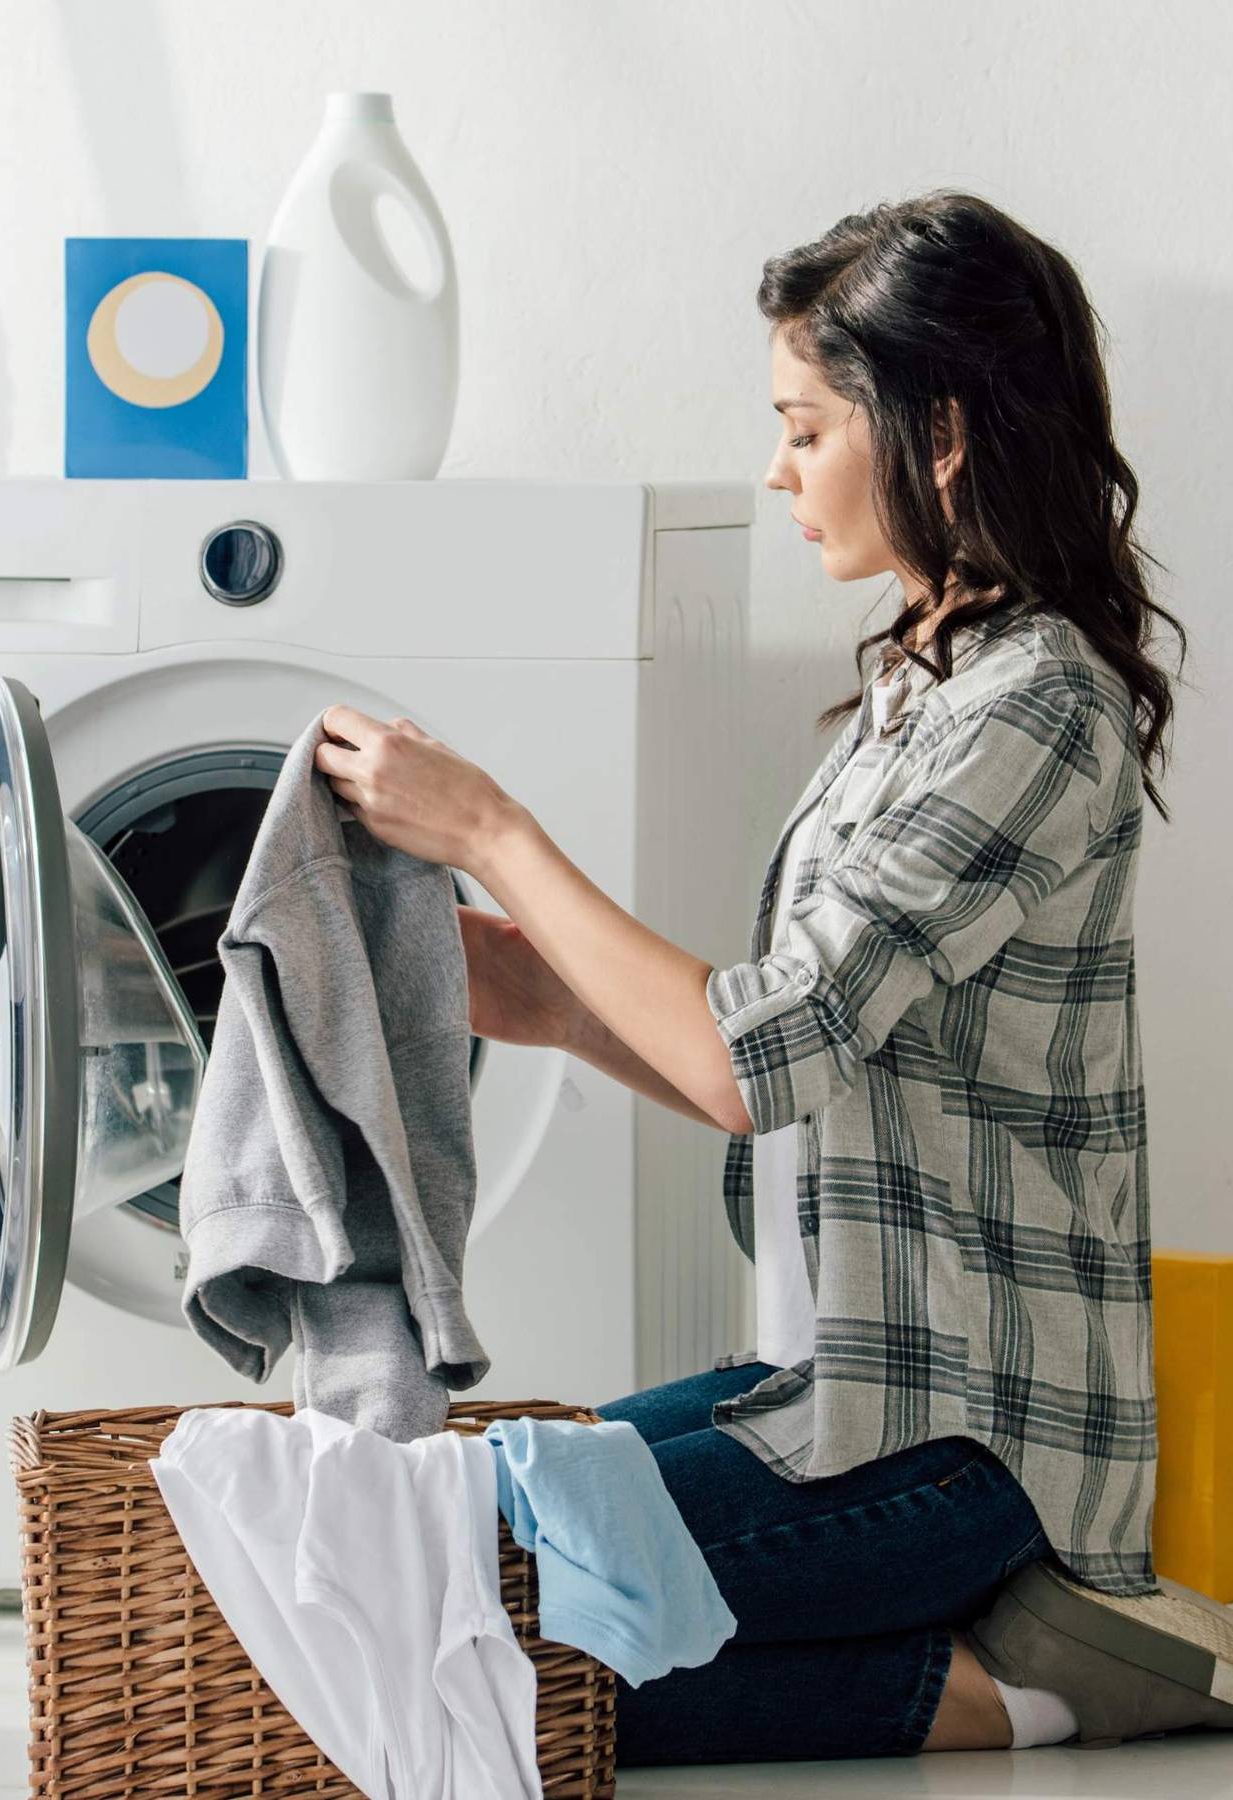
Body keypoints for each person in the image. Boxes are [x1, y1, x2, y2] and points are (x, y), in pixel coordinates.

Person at [314, 190, 1212, 1764]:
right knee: (411, 1550)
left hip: (960, 1447)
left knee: (466, 1629)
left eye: (804, 428)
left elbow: (758, 1050)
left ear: (935, 433)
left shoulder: (1039, 705)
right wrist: (521, 994)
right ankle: (950, 1657)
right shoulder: (914, 689)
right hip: (831, 1382)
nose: (780, 472)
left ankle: (1040, 1686)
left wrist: (497, 832)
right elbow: (786, 1081)